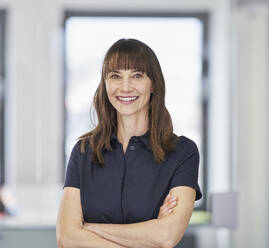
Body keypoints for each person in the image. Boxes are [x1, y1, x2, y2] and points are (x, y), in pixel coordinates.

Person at [57, 38, 202, 248]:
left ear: (153, 84)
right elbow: (66, 237)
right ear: (105, 84)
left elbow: (166, 235)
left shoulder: (182, 153)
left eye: (137, 75)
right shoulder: (83, 152)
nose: (125, 87)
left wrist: (90, 228)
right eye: (115, 76)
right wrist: (148, 233)